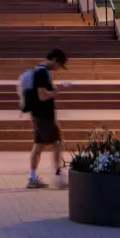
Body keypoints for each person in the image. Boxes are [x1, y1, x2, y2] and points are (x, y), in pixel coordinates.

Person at [23, 48, 69, 189]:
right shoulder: (42, 72)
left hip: (37, 114)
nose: (58, 69)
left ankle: (33, 177)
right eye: (59, 65)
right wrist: (57, 90)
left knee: (39, 145)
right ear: (54, 59)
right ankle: (58, 175)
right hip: (44, 115)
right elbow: (42, 95)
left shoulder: (38, 70)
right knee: (57, 142)